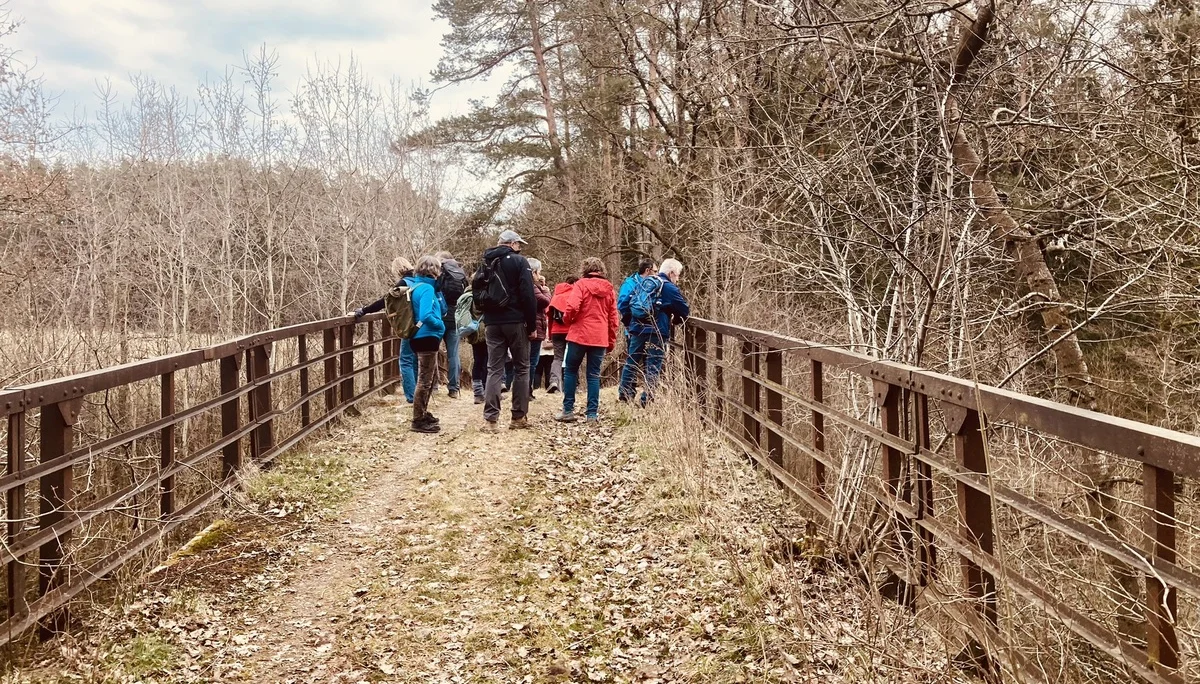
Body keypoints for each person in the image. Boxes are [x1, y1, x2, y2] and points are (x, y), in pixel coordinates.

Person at [475, 229, 537, 431]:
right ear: (512, 244)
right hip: (516, 320)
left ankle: (491, 419)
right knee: (522, 367)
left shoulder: (485, 261)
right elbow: (528, 295)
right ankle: (518, 417)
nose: (519, 248)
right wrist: (532, 325)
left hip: (492, 322)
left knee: (494, 368)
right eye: (519, 244)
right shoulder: (520, 262)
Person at [618, 258, 690, 406]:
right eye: (677, 275)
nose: (678, 279)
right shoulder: (669, 287)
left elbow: (628, 304)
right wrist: (674, 316)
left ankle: (624, 394)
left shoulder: (644, 283)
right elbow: (684, 310)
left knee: (632, 361)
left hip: (637, 328)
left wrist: (629, 324)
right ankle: (647, 399)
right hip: (656, 331)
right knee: (653, 364)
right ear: (671, 273)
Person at [554, 258, 618, 425]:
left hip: (579, 335)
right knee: (594, 375)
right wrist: (611, 340)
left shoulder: (581, 285)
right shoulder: (609, 290)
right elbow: (613, 319)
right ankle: (592, 414)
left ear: (585, 269)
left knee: (570, 370)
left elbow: (573, 307)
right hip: (599, 337)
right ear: (601, 270)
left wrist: (568, 320)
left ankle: (568, 410)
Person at [353, 257, 418, 404]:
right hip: (422, 324)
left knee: (405, 360)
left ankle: (412, 397)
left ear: (397, 270)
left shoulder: (403, 283)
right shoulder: (419, 279)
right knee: (415, 359)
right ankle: (420, 393)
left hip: (409, 324)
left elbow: (385, 301)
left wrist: (365, 310)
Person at [435, 251, 469, 398]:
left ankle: (434, 385)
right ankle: (454, 389)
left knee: (433, 352)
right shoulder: (460, 274)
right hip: (455, 317)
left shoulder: (439, 272)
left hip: (439, 316)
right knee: (453, 354)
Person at [546, 275, 578, 394]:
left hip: (556, 331)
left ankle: (554, 382)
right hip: (571, 330)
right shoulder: (575, 294)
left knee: (557, 358)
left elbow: (549, 316)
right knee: (573, 357)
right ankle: (574, 385)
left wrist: (550, 335)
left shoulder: (556, 295)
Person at [455, 288, 487, 405]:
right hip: (486, 331)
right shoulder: (482, 295)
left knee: (478, 361)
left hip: (474, 333)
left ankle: (478, 394)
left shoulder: (467, 295)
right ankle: (486, 391)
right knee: (487, 362)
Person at [529, 258, 552, 400]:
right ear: (534, 272)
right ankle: (528, 390)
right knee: (532, 361)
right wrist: (546, 291)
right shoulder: (533, 287)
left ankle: (527, 389)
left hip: (533, 326)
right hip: (535, 327)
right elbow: (544, 301)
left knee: (531, 361)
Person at [617, 258, 657, 329]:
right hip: (633, 327)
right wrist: (630, 321)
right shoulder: (629, 284)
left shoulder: (655, 285)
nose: (657, 274)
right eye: (655, 271)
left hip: (653, 328)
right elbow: (622, 305)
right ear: (647, 270)